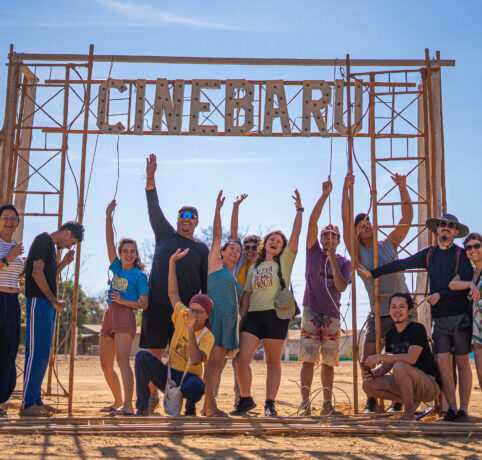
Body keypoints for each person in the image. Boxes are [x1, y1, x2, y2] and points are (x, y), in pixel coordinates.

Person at [357, 213, 473, 423]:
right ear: (437, 229)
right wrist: (373, 273)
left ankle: (463, 410)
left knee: (463, 363)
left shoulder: (461, 255)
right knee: (443, 363)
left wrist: (441, 295)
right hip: (440, 318)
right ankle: (452, 410)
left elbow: (465, 284)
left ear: (456, 232)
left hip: (460, 316)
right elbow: (400, 264)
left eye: (451, 226)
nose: (446, 228)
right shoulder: (429, 254)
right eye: (443, 224)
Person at [141, 153, 209, 413]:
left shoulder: (201, 249)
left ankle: (184, 398)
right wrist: (150, 177)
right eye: (182, 215)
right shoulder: (165, 234)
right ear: (178, 219)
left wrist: (203, 317)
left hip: (184, 312)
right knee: (154, 353)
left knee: (182, 356)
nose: (186, 218)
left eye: (191, 216)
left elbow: (205, 286)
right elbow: (153, 207)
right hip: (157, 306)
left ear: (196, 222)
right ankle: (151, 398)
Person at [342, 171, 413, 413]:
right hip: (379, 313)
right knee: (368, 358)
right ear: (357, 234)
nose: (368, 227)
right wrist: (346, 190)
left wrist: (402, 187)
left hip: (402, 312)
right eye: (363, 226)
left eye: (369, 223)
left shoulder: (389, 244)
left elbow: (407, 218)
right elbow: (345, 222)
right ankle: (371, 399)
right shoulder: (359, 253)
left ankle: (398, 400)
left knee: (401, 357)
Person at [233, 190, 303, 417]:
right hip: (253, 316)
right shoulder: (253, 267)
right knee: (242, 359)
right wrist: (240, 319)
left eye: (279, 241)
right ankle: (245, 399)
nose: (275, 242)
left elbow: (296, 235)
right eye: (272, 239)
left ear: (283, 248)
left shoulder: (284, 262)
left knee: (273, 362)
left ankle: (269, 404)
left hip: (275, 317)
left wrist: (299, 211)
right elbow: (246, 297)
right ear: (265, 243)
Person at [135, 249, 214, 416]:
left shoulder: (207, 336)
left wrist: (191, 329)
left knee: (197, 386)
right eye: (192, 309)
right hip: (169, 375)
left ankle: (190, 407)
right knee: (142, 356)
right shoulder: (182, 314)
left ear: (207, 315)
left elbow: (196, 359)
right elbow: (173, 293)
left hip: (188, 378)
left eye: (199, 312)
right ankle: (142, 407)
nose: (194, 314)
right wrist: (171, 264)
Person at [299, 178, 351, 416]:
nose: (329, 239)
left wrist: (332, 258)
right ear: (321, 239)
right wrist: (324, 195)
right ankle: (305, 403)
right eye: (326, 236)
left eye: (333, 236)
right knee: (308, 359)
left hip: (331, 314)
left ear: (338, 240)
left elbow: (340, 286)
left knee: (329, 361)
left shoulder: (344, 262)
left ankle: (327, 405)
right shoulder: (312, 252)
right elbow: (312, 222)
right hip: (311, 309)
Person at [21, 221, 84, 416]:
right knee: (36, 353)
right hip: (38, 302)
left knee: (42, 353)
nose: (69, 246)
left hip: (46, 304)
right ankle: (27, 403)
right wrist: (54, 300)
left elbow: (48, 276)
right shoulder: (43, 240)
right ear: (67, 233)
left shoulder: (49, 247)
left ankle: (35, 400)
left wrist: (63, 263)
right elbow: (36, 272)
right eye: (72, 242)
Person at [99, 200, 148, 415]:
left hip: (125, 316)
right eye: (125, 251)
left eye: (132, 251)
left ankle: (128, 405)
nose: (128, 254)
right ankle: (117, 401)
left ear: (136, 254)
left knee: (122, 362)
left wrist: (122, 301)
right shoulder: (117, 267)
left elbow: (144, 304)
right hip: (109, 314)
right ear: (120, 254)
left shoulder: (139, 276)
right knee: (105, 365)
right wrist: (108, 216)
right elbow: (109, 242)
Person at [362, 293, 442, 420]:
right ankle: (411, 401)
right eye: (393, 307)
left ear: (409, 311)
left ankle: (408, 413)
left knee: (400, 366)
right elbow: (386, 366)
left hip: (429, 385)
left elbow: (411, 358)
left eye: (402, 306)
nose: (397, 310)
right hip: (406, 382)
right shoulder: (390, 334)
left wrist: (381, 356)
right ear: (389, 311)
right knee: (367, 384)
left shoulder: (417, 329)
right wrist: (373, 373)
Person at [202, 191, 243, 417]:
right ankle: (211, 406)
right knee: (213, 364)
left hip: (229, 323)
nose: (235, 251)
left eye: (238, 250)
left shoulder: (233, 275)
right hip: (215, 319)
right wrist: (218, 209)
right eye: (231, 248)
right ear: (223, 252)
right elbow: (218, 235)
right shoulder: (215, 265)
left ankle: (206, 405)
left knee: (217, 365)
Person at [449, 232, 482, 391]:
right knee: (481, 374)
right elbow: (452, 285)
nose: (473, 250)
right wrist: (470, 284)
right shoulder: (469, 272)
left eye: (477, 246)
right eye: (468, 247)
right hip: (477, 329)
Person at [0, 205, 24, 416]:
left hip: (12, 301)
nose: (9, 221)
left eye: (13, 218)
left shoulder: (16, 246)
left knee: (9, 350)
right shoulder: (9, 250)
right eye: (5, 217)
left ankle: (1, 399)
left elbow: (19, 274)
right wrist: (7, 258)